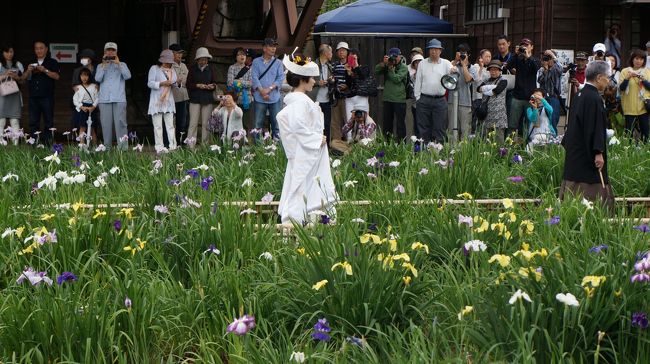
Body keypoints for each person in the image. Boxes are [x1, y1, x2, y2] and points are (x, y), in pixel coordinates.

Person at [276, 54, 337, 225]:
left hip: (309, 149)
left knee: (305, 181)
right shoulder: (301, 101)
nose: (313, 82)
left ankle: (308, 215)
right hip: (308, 149)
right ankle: (299, 216)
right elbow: (297, 126)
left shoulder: (298, 100)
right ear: (303, 80)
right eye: (311, 78)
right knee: (304, 181)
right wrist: (317, 139)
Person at [560, 61, 614, 210]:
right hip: (588, 153)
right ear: (598, 78)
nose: (608, 81)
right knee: (591, 187)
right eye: (607, 77)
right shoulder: (594, 98)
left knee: (574, 183)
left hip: (576, 149)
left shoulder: (579, 94)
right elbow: (595, 127)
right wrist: (598, 152)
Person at [413, 38, 455, 143]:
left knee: (440, 129)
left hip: (440, 100)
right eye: (431, 49)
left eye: (436, 49)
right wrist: (418, 98)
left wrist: (454, 70)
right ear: (428, 50)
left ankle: (438, 155)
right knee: (423, 129)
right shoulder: (422, 63)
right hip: (424, 99)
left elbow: (453, 72)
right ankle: (423, 155)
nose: (434, 51)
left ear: (440, 51)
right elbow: (418, 81)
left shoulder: (446, 63)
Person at [95, 41, 131, 150]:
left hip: (119, 98)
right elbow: (97, 79)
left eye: (112, 50)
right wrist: (104, 66)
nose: (110, 52)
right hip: (104, 99)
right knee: (106, 125)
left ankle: (123, 148)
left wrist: (118, 64)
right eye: (108, 50)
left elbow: (127, 76)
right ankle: (107, 148)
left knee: (121, 123)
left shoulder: (122, 64)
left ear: (116, 52)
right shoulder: (100, 66)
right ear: (105, 51)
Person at [24, 40, 60, 145]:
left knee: (48, 121)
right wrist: (28, 70)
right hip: (33, 97)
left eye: (41, 48)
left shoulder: (52, 62)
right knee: (33, 122)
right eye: (36, 48)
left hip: (47, 97)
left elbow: (57, 76)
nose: (39, 50)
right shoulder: (30, 62)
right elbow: (23, 78)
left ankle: (48, 144)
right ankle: (34, 144)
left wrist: (45, 70)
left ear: (46, 49)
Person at [506, 38, 541, 138]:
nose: (524, 47)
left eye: (527, 45)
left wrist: (528, 57)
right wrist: (516, 54)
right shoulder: (518, 59)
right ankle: (509, 146)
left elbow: (536, 69)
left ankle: (526, 146)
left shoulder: (535, 60)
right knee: (512, 124)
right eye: (523, 45)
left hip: (530, 98)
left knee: (528, 124)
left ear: (532, 47)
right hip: (517, 96)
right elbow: (508, 66)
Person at [251, 38, 284, 140]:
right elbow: (254, 77)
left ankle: (277, 149)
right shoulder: (256, 61)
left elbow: (280, 78)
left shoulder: (278, 62)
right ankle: (258, 150)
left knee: (277, 124)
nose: (274, 48)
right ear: (264, 48)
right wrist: (262, 91)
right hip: (259, 97)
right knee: (257, 125)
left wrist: (268, 89)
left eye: (275, 46)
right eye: (271, 46)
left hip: (274, 97)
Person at [375, 47, 408, 141]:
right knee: (387, 123)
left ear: (400, 57)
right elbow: (376, 71)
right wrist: (383, 64)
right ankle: (387, 143)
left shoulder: (404, 67)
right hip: (387, 98)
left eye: (396, 56)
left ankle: (402, 144)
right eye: (392, 57)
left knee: (400, 124)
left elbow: (396, 79)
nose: (394, 59)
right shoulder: (387, 65)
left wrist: (390, 69)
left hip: (399, 99)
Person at [187, 47, 218, 147]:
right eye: (201, 59)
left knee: (206, 124)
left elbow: (214, 83)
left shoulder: (211, 69)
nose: (203, 61)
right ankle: (190, 146)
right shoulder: (192, 69)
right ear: (197, 59)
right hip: (195, 99)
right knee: (193, 123)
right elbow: (188, 84)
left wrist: (211, 86)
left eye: (205, 59)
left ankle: (205, 146)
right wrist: (197, 85)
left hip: (207, 98)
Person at [147, 49, 178, 151]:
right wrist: (161, 83)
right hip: (157, 101)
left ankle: (173, 146)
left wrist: (177, 83)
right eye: (167, 61)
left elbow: (175, 85)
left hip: (168, 101)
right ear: (162, 60)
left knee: (170, 126)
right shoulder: (154, 69)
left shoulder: (173, 70)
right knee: (157, 126)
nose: (169, 63)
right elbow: (150, 83)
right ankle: (159, 147)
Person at [618, 49, 650, 141]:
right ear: (632, 59)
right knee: (629, 134)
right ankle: (628, 152)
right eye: (636, 58)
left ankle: (645, 153)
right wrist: (627, 78)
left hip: (643, 106)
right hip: (629, 107)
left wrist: (644, 81)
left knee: (645, 134)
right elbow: (621, 88)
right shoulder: (625, 71)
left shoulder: (647, 72)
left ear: (644, 60)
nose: (639, 61)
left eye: (641, 59)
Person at [307, 44, 334, 145]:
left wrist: (332, 80)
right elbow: (307, 79)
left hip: (327, 99)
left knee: (327, 124)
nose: (332, 54)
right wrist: (318, 83)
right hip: (315, 99)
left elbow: (332, 80)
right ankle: (315, 145)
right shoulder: (312, 65)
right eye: (330, 52)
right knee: (314, 124)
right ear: (326, 53)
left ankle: (326, 147)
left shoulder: (330, 66)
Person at [476, 60, 508, 144]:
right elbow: (478, 89)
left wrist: (485, 88)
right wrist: (491, 87)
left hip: (499, 117)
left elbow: (496, 91)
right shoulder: (486, 80)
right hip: (487, 115)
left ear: (500, 70)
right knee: (486, 141)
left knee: (499, 142)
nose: (493, 72)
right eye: (491, 69)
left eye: (496, 69)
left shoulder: (503, 81)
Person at [447, 43, 474, 140]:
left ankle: (464, 153)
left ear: (468, 55)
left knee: (465, 130)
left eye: (464, 54)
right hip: (451, 101)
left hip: (465, 102)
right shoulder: (451, 64)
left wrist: (464, 65)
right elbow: (445, 74)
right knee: (451, 129)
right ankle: (450, 151)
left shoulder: (472, 67)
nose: (462, 55)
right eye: (460, 53)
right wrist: (455, 60)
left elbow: (468, 79)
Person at [0, 44, 25, 145]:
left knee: (15, 121)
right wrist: (5, 75)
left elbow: (23, 81)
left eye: (11, 52)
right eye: (7, 52)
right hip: (1, 95)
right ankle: (1, 145)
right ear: (3, 53)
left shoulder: (18, 64)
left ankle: (15, 146)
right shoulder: (0, 64)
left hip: (14, 95)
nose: (9, 54)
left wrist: (16, 77)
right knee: (1, 121)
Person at [330, 42, 352, 146]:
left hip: (348, 97)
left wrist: (347, 86)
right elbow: (331, 78)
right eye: (339, 50)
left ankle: (349, 143)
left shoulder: (351, 64)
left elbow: (354, 79)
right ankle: (336, 144)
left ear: (347, 52)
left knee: (348, 120)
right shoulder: (333, 65)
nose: (341, 52)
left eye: (344, 50)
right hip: (336, 96)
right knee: (335, 121)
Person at [226, 47, 253, 130]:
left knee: (246, 123)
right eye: (239, 54)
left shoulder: (249, 69)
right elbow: (230, 83)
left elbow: (251, 84)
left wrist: (239, 82)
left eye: (244, 54)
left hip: (247, 100)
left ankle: (245, 142)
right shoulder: (232, 68)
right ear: (235, 57)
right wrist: (242, 83)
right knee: (234, 122)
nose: (242, 56)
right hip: (235, 99)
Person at [536, 50, 563, 130]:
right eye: (546, 58)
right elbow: (540, 80)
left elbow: (561, 70)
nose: (547, 60)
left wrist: (553, 58)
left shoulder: (557, 68)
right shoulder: (542, 69)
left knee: (553, 121)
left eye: (549, 58)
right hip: (543, 99)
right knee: (543, 121)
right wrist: (546, 69)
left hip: (554, 98)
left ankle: (553, 140)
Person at [72, 68, 99, 144]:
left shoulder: (94, 86)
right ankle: (81, 148)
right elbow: (75, 100)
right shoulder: (78, 87)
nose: (84, 77)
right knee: (82, 128)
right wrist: (81, 107)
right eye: (82, 75)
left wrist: (93, 107)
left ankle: (94, 148)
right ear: (80, 76)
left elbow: (98, 97)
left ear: (89, 76)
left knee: (92, 129)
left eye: (86, 75)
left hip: (92, 108)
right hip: (82, 109)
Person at [169, 44, 189, 144]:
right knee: (171, 122)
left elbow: (187, 80)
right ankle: (171, 143)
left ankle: (181, 143)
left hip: (184, 97)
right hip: (172, 97)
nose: (180, 55)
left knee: (182, 122)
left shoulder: (184, 65)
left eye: (181, 53)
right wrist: (178, 82)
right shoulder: (169, 65)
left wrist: (179, 82)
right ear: (171, 53)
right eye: (178, 53)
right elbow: (172, 81)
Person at [345, 49, 374, 119]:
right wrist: (348, 72)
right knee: (349, 121)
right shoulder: (348, 69)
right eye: (350, 56)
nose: (351, 58)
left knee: (362, 120)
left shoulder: (365, 68)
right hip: (350, 98)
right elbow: (348, 84)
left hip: (362, 97)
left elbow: (363, 78)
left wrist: (356, 66)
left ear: (357, 57)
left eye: (353, 56)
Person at [470, 49, 491, 134]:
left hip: (486, 98)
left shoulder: (489, 69)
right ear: (480, 57)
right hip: (477, 98)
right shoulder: (475, 66)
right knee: (476, 119)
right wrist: (481, 67)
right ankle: (474, 136)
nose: (488, 58)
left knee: (483, 121)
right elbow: (477, 80)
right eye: (486, 56)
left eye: (489, 56)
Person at [495, 35, 515, 117]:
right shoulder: (495, 58)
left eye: (503, 44)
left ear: (508, 44)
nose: (501, 46)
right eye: (499, 44)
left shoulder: (513, 58)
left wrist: (511, 68)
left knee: (509, 115)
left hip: (511, 91)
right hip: (498, 90)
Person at [406, 53, 423, 137]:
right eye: (416, 62)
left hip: (426, 104)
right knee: (416, 125)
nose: (418, 64)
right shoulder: (412, 76)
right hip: (415, 104)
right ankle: (417, 146)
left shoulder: (428, 74)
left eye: (420, 61)